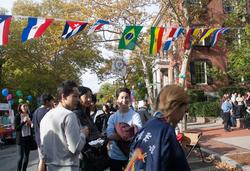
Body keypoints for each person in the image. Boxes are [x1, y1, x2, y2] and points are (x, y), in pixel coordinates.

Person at [125, 85, 190, 171]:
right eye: (185, 110)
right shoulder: (166, 131)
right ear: (175, 105)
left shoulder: (146, 126)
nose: (183, 117)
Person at [40, 80, 87, 171]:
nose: (78, 99)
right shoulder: (69, 115)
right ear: (63, 97)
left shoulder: (46, 117)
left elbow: (43, 149)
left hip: (51, 167)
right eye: (75, 96)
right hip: (68, 167)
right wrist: (83, 134)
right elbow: (75, 148)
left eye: (78, 96)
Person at [106, 87, 142, 171]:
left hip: (131, 156)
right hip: (115, 156)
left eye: (126, 97)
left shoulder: (135, 115)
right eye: (121, 97)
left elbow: (138, 132)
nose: (124, 100)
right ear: (117, 100)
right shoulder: (113, 117)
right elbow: (109, 134)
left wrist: (118, 132)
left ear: (130, 98)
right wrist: (128, 132)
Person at [74, 86, 108, 171]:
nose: (89, 99)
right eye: (86, 96)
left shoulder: (87, 114)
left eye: (90, 96)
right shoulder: (76, 114)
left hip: (94, 154)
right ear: (78, 97)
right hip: (86, 157)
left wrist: (100, 137)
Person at [32, 93, 54, 171]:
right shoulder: (47, 112)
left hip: (39, 139)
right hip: (45, 140)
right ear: (47, 101)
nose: (53, 103)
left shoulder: (36, 111)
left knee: (41, 160)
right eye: (52, 101)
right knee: (43, 161)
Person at [15, 103, 33, 171]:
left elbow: (32, 126)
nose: (25, 107)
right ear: (20, 108)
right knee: (20, 158)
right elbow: (16, 128)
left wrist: (31, 124)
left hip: (28, 138)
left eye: (26, 106)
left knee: (26, 157)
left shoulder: (30, 115)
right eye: (24, 106)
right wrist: (23, 122)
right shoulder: (18, 116)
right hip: (21, 139)